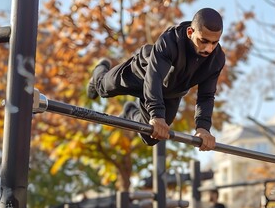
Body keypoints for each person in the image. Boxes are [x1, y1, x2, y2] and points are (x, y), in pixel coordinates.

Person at [87, 8, 225, 150]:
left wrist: (203, 128)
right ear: (190, 32)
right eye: (204, 41)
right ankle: (100, 69)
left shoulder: (217, 59)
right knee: (103, 89)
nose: (209, 49)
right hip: (141, 74)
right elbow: (155, 76)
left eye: (214, 43)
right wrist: (156, 114)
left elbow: (206, 96)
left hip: (171, 93)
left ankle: (130, 111)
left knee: (150, 137)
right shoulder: (171, 39)